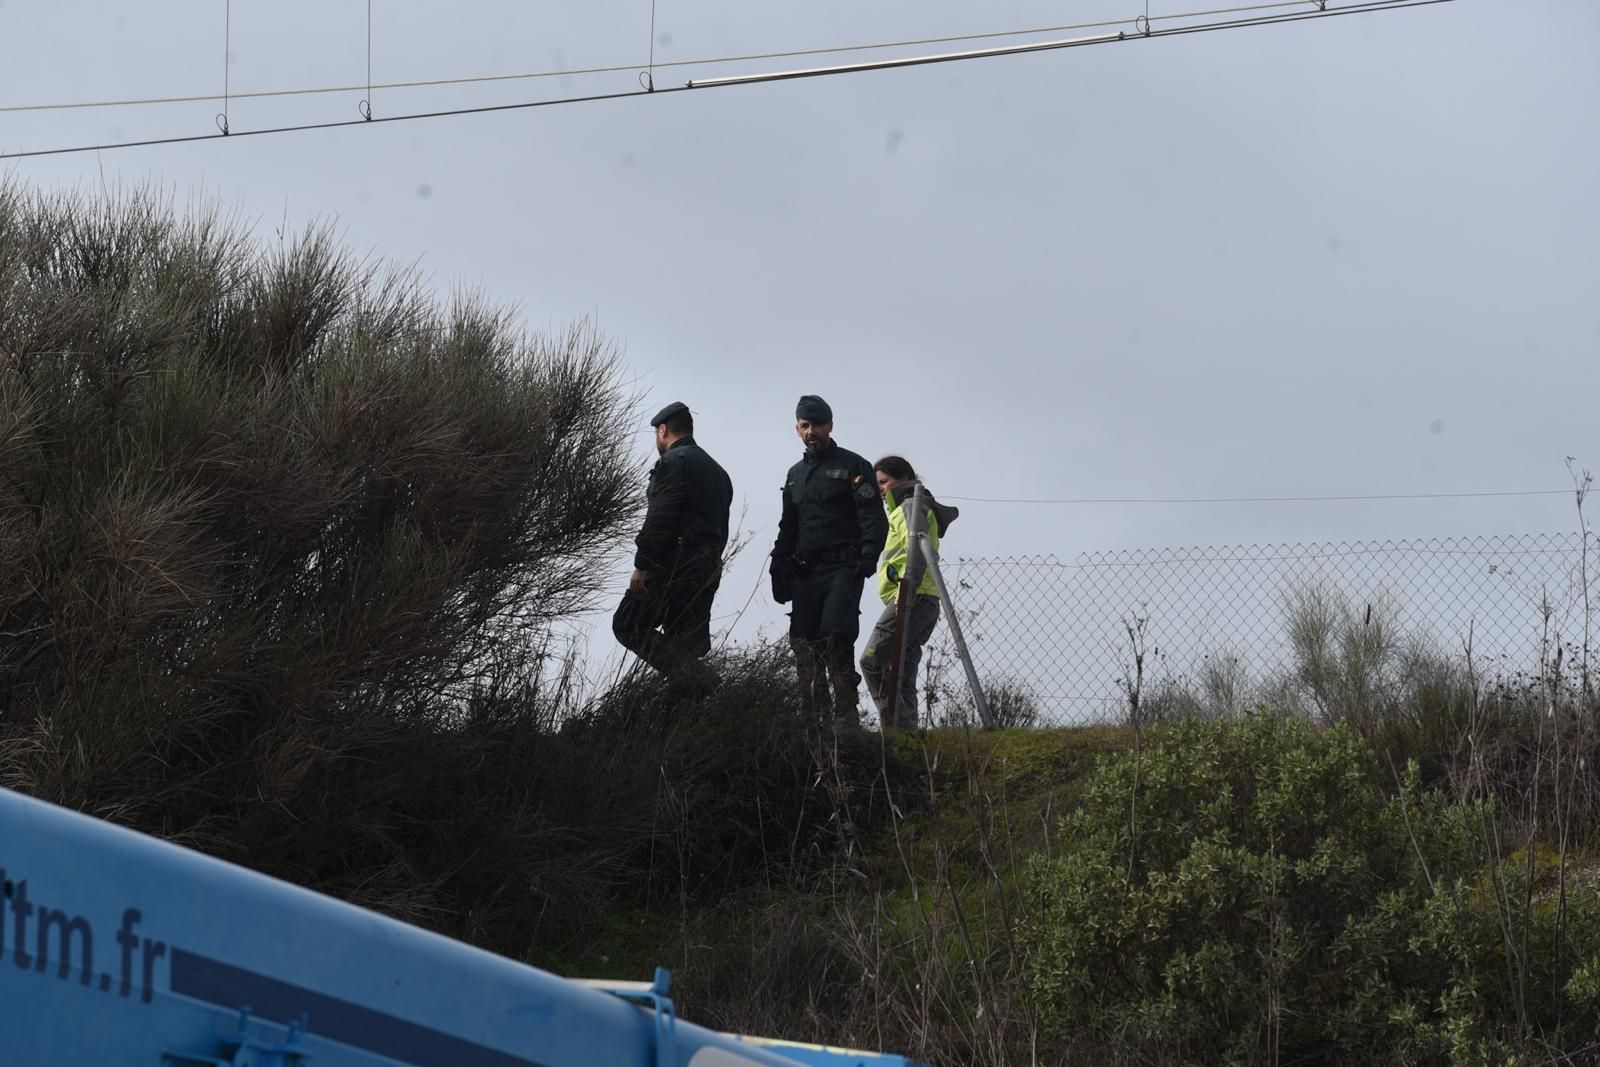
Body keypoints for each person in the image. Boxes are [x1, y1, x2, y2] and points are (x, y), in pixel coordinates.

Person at [770, 395, 888, 722]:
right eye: (805, 426)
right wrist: (778, 565)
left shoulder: (853, 466)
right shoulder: (794, 476)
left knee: (835, 638)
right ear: (797, 429)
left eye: (818, 425)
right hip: (805, 571)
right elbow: (788, 526)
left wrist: (868, 557)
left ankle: (845, 720)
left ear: (830, 426)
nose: (812, 431)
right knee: (804, 647)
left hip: (843, 567)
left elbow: (872, 517)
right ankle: (814, 723)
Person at [613, 401, 734, 693]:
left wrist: (642, 566)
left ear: (663, 430)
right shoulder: (719, 473)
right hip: (707, 568)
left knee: (627, 623)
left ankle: (702, 680)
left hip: (674, 565)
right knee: (684, 643)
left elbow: (660, 518)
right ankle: (686, 722)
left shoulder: (672, 462)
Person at [859, 456, 959, 730]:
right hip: (925, 598)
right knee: (901, 671)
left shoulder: (909, 506)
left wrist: (906, 589)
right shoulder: (910, 507)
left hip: (911, 597)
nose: (880, 489)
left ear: (903, 478)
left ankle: (896, 726)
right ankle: (908, 734)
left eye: (884, 482)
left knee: (871, 660)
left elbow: (914, 549)